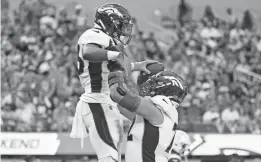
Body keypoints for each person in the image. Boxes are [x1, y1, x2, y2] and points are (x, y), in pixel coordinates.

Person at [70, 3, 156, 162]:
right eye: (119, 25)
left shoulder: (105, 41)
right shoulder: (94, 34)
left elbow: (107, 66)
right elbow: (88, 52)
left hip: (107, 101)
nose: (122, 29)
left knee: (115, 153)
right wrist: (116, 55)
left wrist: (136, 66)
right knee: (108, 157)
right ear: (107, 22)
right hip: (97, 101)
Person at [108, 62, 188, 162]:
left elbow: (117, 93)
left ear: (166, 90)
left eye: (155, 84)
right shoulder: (158, 115)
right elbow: (115, 101)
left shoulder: (156, 111)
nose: (148, 86)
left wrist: (117, 68)